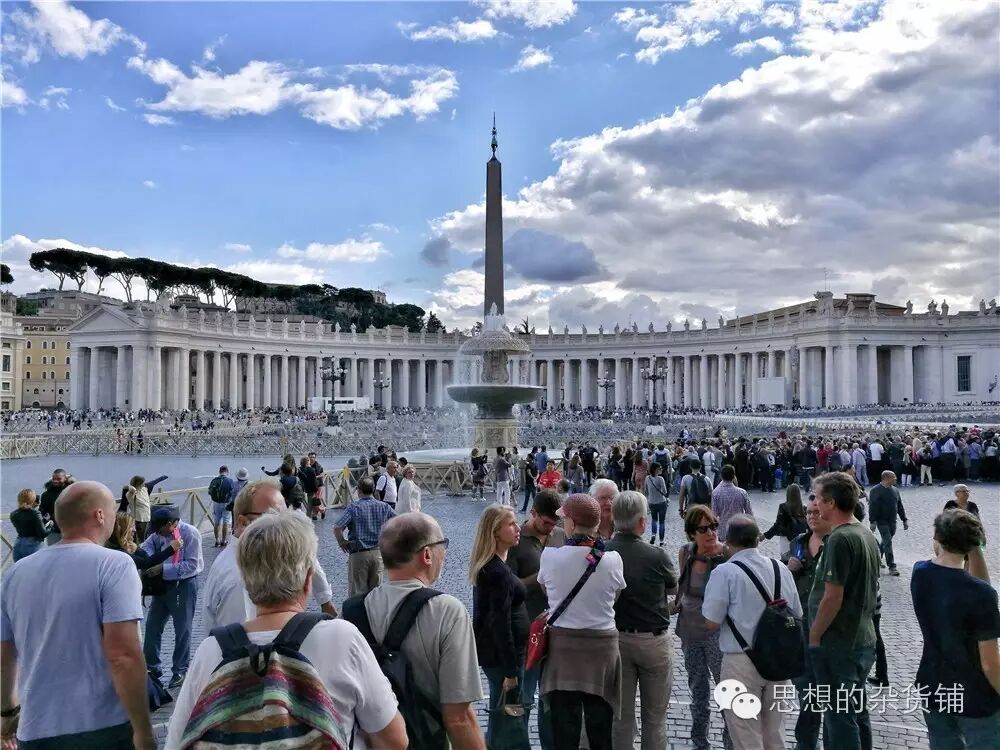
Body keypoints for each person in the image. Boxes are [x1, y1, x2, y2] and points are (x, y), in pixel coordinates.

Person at [165, 511, 408, 750]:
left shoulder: (211, 651)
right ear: (307, 579)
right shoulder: (342, 639)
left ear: (247, 581)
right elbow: (394, 740)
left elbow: (177, 742)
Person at [1, 481, 155, 750]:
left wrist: (7, 714)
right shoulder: (114, 564)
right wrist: (143, 730)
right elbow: (123, 656)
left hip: (35, 729)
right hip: (102, 727)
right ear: (99, 515)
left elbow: (5, 655)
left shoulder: (14, 574)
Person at [353, 513, 485, 750]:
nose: (444, 554)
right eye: (441, 545)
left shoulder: (351, 611)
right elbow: (459, 717)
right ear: (426, 554)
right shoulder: (448, 611)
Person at [703, 514, 802, 750]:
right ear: (757, 539)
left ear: (728, 541)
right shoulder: (781, 568)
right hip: (779, 660)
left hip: (741, 661)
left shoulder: (724, 572)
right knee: (775, 735)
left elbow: (711, 622)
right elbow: (796, 612)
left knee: (746, 736)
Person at [538, 494, 626, 750]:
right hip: (602, 648)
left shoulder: (550, 557)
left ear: (573, 523)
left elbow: (546, 591)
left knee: (565, 726)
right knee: (600, 725)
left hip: (563, 649)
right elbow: (615, 596)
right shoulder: (613, 559)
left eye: (564, 519)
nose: (562, 524)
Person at [912, 509, 1000, 748]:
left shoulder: (919, 573)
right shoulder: (982, 595)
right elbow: (990, 662)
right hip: (975, 694)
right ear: (973, 544)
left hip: (934, 684)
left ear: (937, 538)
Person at [807, 471, 881, 750]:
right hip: (861, 638)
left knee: (839, 716)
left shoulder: (839, 539)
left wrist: (814, 636)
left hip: (839, 642)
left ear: (830, 503)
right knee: (856, 711)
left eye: (817, 498)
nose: (814, 503)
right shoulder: (863, 531)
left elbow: (832, 597)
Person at [202, 480, 337, 632]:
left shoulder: (257, 558)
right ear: (242, 522)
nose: (284, 524)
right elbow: (245, 646)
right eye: (273, 516)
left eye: (286, 515)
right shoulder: (239, 578)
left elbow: (306, 554)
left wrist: (325, 598)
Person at [606, 491, 677, 750]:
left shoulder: (603, 552)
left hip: (616, 640)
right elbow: (672, 588)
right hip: (654, 641)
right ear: (642, 522)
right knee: (655, 719)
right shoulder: (657, 556)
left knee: (621, 717)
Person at [505, 490, 565, 749]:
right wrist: (542, 576)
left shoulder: (561, 535)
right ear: (533, 514)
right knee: (525, 698)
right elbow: (510, 586)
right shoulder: (516, 541)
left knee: (550, 699)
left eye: (554, 524)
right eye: (545, 523)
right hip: (527, 629)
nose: (550, 529)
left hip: (556, 629)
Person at [469, 504, 528, 747]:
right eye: (511, 524)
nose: (518, 528)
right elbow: (499, 623)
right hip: (505, 657)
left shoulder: (493, 566)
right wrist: (510, 670)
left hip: (498, 654)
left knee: (501, 712)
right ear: (495, 532)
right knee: (508, 714)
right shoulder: (498, 573)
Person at [674, 505, 732, 750]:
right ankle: (700, 742)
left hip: (718, 632)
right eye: (703, 529)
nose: (710, 533)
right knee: (698, 690)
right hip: (690, 629)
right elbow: (683, 590)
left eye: (714, 526)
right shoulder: (686, 552)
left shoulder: (727, 553)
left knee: (726, 691)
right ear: (691, 534)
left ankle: (731, 742)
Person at [141, 504, 204, 689]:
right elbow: (147, 548)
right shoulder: (157, 534)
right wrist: (153, 558)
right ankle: (152, 668)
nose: (156, 533)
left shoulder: (190, 533)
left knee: (182, 628)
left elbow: (192, 565)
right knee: (152, 626)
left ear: (170, 524)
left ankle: (180, 670)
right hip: (162, 586)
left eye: (158, 529)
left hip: (183, 585)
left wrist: (163, 568)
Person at [785, 498, 827, 750]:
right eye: (809, 512)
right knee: (806, 690)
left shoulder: (836, 544)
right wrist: (788, 567)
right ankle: (806, 742)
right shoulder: (798, 542)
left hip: (829, 630)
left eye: (817, 512)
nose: (812, 516)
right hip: (801, 626)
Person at [334, 476, 397, 596]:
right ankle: (374, 614)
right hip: (378, 553)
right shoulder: (383, 506)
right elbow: (399, 522)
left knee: (357, 592)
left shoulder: (354, 507)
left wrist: (342, 542)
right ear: (373, 490)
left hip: (359, 554)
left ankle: (357, 615)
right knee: (376, 593)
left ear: (358, 490)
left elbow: (337, 528)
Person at [943, 484, 989, 582]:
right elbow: (944, 520)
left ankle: (966, 578)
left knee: (969, 559)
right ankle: (956, 578)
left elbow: (978, 520)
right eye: (963, 491)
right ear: (956, 493)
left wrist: (983, 534)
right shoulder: (950, 505)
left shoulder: (972, 505)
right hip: (956, 536)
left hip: (971, 536)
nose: (966, 493)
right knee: (956, 557)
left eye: (967, 491)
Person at [867, 470, 908, 576]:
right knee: (888, 541)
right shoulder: (876, 490)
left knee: (886, 542)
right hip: (882, 521)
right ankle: (892, 566)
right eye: (893, 477)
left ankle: (876, 558)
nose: (896, 478)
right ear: (886, 478)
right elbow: (872, 506)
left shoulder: (895, 490)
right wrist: (872, 521)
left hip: (892, 520)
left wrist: (904, 519)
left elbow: (899, 506)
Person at [762, 483, 809, 557]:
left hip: (787, 538)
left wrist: (765, 535)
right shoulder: (804, 508)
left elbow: (778, 525)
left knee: (786, 559)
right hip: (801, 538)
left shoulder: (783, 507)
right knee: (798, 558)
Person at [711, 464, 753, 542]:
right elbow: (749, 513)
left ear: (721, 476)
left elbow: (714, 514)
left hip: (723, 530)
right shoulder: (742, 492)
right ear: (734, 476)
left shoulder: (716, 493)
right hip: (739, 529)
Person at [120, 474, 168, 541]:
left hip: (147, 519)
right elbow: (128, 488)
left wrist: (162, 478)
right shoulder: (130, 494)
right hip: (138, 520)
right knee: (138, 539)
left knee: (145, 537)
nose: (143, 485)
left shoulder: (144, 489)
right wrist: (131, 486)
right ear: (137, 484)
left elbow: (153, 482)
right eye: (141, 484)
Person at [10, 489, 47, 561]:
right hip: (33, 545)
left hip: (18, 544)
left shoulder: (13, 514)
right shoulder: (35, 513)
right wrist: (51, 525)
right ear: (33, 500)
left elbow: (26, 523)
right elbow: (43, 534)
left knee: (20, 570)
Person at [38, 468, 71, 544]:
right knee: (54, 553)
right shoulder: (46, 495)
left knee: (71, 554)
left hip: (71, 530)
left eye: (59, 479)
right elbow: (42, 512)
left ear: (65, 479)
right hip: (54, 530)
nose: (56, 481)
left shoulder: (72, 492)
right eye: (54, 479)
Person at [208, 465, 236, 547]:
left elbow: (209, 492)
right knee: (225, 522)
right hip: (226, 503)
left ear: (219, 472)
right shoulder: (230, 481)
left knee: (216, 522)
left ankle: (217, 540)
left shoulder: (214, 480)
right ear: (227, 472)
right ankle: (224, 541)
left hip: (216, 503)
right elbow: (232, 492)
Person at [644, 463, 670, 545]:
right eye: (660, 468)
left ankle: (653, 535)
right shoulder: (660, 479)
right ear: (656, 470)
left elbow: (646, 491)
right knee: (662, 522)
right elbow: (665, 492)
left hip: (652, 502)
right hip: (661, 502)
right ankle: (661, 541)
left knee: (654, 520)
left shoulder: (647, 478)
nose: (661, 470)